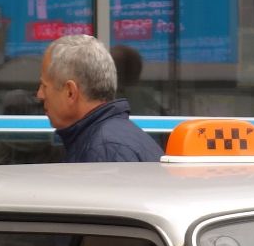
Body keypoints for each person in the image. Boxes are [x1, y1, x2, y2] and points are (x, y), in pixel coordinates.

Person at [37, 34, 163, 164]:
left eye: (44, 86)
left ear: (70, 92)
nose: (39, 95)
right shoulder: (109, 141)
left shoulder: (106, 149)